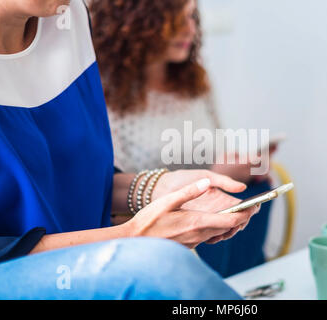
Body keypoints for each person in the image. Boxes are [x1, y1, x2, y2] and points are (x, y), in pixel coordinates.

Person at [0, 0, 259, 299]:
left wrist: (158, 186)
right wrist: (131, 236)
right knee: (162, 266)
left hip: (88, 255)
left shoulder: (69, 18)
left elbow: (70, 179)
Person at [90, 0, 276, 277]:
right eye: (176, 21)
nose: (190, 30)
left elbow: (219, 147)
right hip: (165, 246)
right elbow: (113, 197)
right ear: (132, 24)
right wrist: (212, 175)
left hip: (221, 222)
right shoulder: (102, 96)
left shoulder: (195, 82)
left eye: (191, 18)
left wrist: (244, 168)